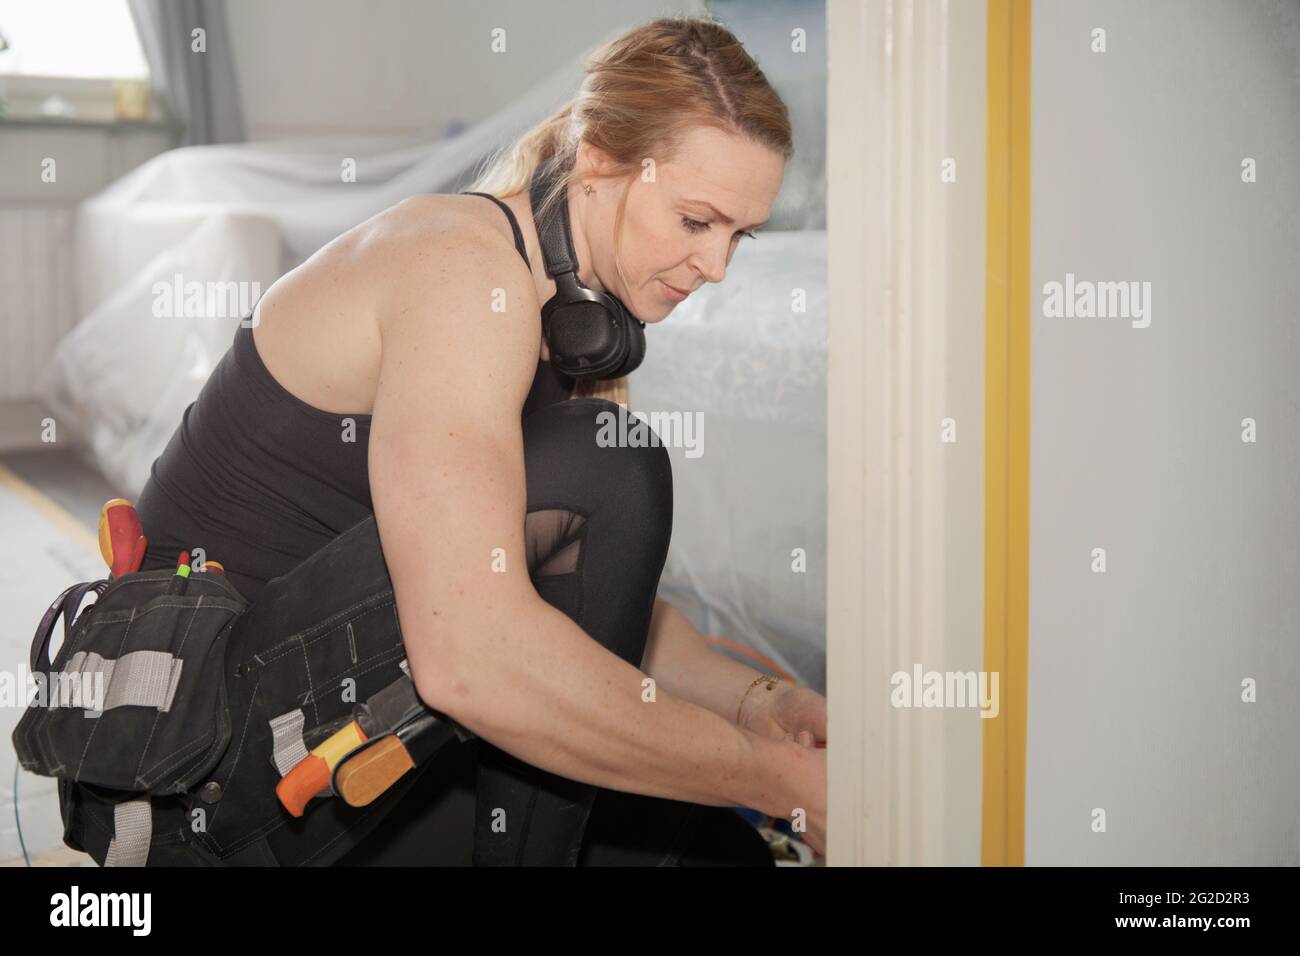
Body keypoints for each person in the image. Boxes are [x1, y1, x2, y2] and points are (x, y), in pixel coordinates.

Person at [133, 14, 827, 866]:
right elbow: (469, 661)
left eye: (739, 235)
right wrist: (770, 781)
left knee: (715, 850)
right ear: (601, 159)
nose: (716, 266)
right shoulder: (464, 274)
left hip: (328, 710)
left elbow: (577, 596)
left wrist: (756, 708)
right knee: (612, 462)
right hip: (203, 764)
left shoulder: (559, 315)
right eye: (695, 221)